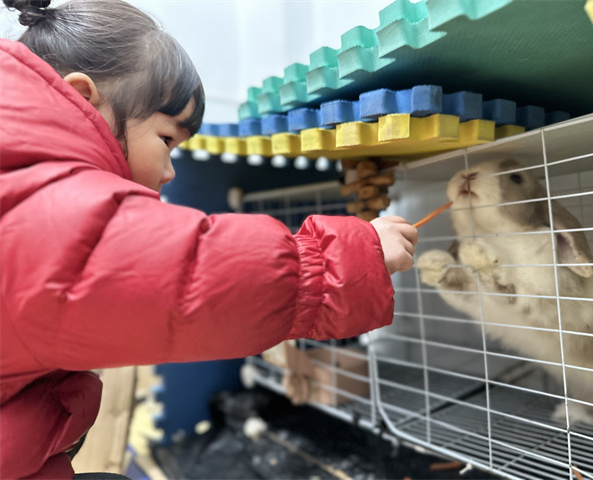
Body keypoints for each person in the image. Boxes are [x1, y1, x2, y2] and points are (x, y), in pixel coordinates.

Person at [0, 0, 418, 478]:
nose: (169, 171)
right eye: (166, 141)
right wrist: (347, 258)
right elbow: (190, 271)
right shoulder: (37, 204)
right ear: (83, 98)